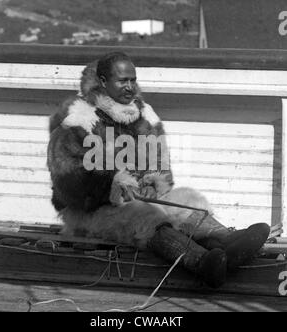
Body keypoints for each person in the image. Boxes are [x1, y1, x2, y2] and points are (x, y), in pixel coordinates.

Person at [47, 52, 270, 289]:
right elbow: (66, 180)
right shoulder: (78, 122)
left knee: (188, 200)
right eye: (122, 81)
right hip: (92, 212)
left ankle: (228, 242)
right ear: (102, 83)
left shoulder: (145, 117)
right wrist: (111, 185)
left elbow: (162, 166)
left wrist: (155, 182)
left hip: (137, 200)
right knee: (144, 216)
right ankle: (200, 262)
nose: (130, 87)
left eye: (132, 80)